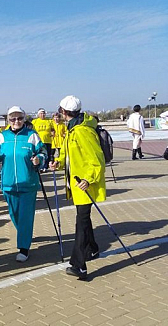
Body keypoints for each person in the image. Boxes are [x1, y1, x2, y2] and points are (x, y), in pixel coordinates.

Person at [50, 96, 106, 280]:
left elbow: (97, 160)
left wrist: (89, 179)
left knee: (80, 222)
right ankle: (93, 248)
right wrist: (57, 163)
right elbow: (66, 154)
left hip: (85, 185)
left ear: (64, 112)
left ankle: (78, 265)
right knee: (84, 218)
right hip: (76, 184)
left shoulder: (82, 131)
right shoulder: (72, 128)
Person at [0, 106, 47, 263]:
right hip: (8, 184)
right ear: (8, 120)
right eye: (13, 119)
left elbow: (43, 152)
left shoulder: (31, 135)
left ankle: (23, 248)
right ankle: (25, 235)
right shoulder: (2, 136)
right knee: (15, 215)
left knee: (26, 216)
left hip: (28, 183)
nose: (16, 121)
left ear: (23, 119)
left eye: (19, 118)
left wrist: (39, 159)